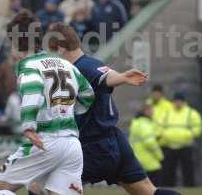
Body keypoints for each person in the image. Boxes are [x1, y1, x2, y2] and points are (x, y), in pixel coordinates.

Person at [47, 23, 181, 195]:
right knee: (148, 192)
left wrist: (122, 77)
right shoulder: (88, 63)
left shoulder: (82, 67)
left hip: (93, 147)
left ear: (59, 49)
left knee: (47, 184)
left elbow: (105, 77)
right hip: (114, 140)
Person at [0, 10, 95, 195]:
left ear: (17, 43)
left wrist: (28, 126)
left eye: (10, 44)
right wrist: (64, 110)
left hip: (44, 142)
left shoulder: (28, 66)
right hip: (72, 145)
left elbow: (33, 90)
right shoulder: (64, 63)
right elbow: (88, 94)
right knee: (35, 188)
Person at [159, 92, 202, 187]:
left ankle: (190, 189)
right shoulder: (166, 113)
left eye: (180, 101)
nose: (178, 103)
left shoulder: (191, 113)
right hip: (169, 146)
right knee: (168, 171)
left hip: (185, 146)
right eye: (176, 101)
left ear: (184, 102)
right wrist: (165, 135)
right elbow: (159, 126)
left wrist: (189, 135)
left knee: (188, 170)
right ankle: (168, 189)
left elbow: (198, 127)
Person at [129, 104, 164, 186]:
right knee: (154, 188)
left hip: (139, 158)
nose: (152, 112)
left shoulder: (136, 122)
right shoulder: (144, 124)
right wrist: (160, 156)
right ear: (145, 112)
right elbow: (150, 142)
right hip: (149, 161)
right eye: (150, 110)